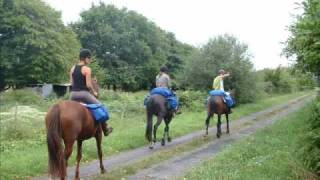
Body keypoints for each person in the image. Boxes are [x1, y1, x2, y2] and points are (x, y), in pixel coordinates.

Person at [70, 49, 112, 136]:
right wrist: (94, 92)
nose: (90, 60)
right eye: (89, 58)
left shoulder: (72, 68)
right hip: (84, 94)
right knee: (101, 107)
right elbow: (89, 85)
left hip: (73, 95)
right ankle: (106, 129)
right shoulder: (87, 69)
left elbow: (71, 83)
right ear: (85, 58)